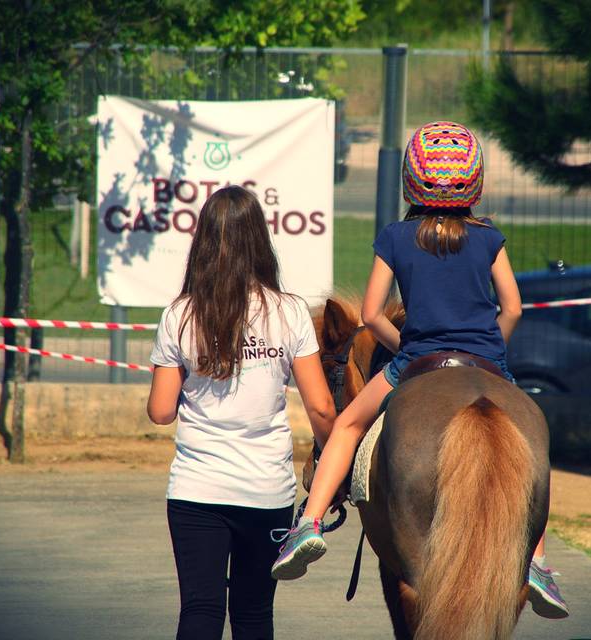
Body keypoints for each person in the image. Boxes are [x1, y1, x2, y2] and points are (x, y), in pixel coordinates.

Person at [270, 121, 569, 618]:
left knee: (345, 426)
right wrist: (492, 352)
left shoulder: (396, 236)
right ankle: (537, 562)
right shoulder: (488, 237)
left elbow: (369, 315)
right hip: (485, 360)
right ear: (473, 181)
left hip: (417, 359)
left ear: (413, 177)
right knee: (532, 444)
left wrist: (403, 344)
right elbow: (512, 308)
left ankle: (309, 524)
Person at [147, 185, 336, 640]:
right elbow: (321, 406)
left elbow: (159, 411)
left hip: (195, 489)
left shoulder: (180, 314)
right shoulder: (290, 313)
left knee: (200, 610)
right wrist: (336, 454)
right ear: (260, 239)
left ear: (204, 242)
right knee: (253, 615)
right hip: (266, 492)